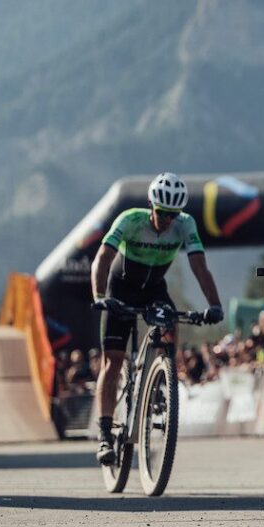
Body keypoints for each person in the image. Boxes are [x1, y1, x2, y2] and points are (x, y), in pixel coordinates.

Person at [90, 172, 225, 465]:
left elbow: (200, 267)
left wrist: (214, 305)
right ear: (152, 205)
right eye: (163, 213)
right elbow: (102, 257)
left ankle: (163, 376)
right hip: (120, 290)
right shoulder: (130, 219)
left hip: (153, 290)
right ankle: (104, 434)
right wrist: (100, 296)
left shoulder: (185, 224)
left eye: (173, 215)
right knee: (112, 361)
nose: (167, 220)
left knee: (171, 320)